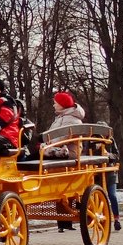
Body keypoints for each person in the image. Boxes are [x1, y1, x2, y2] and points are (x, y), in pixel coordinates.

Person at [43, 91, 86, 231]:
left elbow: (63, 138)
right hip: (58, 149)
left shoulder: (71, 120)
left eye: (55, 102)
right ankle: (63, 222)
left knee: (35, 156)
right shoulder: (62, 118)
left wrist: (47, 146)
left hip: (69, 152)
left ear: (62, 104)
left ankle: (65, 221)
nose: (54, 105)